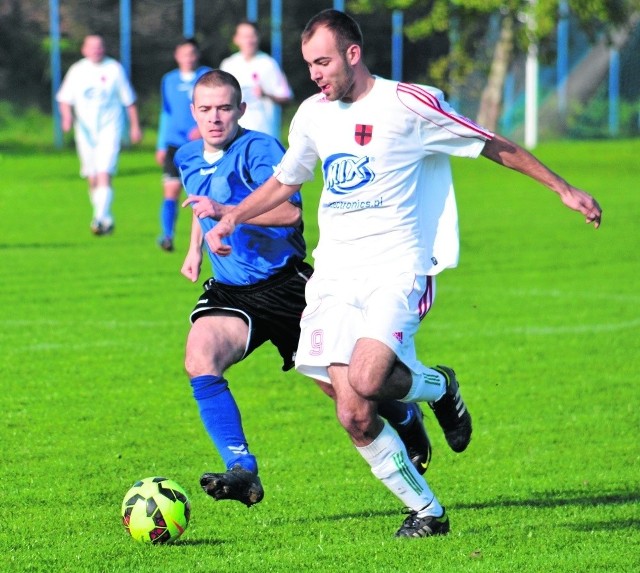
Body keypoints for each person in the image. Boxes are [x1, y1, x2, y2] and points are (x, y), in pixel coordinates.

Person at [204, 10, 603, 538]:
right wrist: (234, 214)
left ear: (352, 53)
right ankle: (428, 512)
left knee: (369, 380)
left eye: (323, 61)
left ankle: (437, 387)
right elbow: (286, 179)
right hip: (333, 276)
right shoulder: (311, 115)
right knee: (354, 413)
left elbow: (490, 143)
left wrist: (562, 188)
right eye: (308, 65)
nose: (315, 74)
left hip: (398, 267)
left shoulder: (407, 104)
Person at [175, 70, 433, 508]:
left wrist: (226, 212)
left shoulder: (259, 150)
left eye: (224, 108)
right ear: (193, 112)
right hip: (232, 290)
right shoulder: (186, 156)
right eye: (205, 109)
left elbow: (290, 215)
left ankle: (406, 412)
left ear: (240, 109)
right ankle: (241, 469)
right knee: (199, 358)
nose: (215, 118)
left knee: (346, 390)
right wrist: (196, 247)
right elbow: (200, 205)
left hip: (287, 285)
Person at [56, 34, 142, 236]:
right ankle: (105, 218)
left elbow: (129, 100)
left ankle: (99, 218)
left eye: (99, 46)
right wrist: (67, 117)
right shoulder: (77, 70)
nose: (96, 50)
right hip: (85, 131)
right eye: (92, 47)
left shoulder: (114, 69)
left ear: (104, 48)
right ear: (84, 50)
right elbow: (64, 99)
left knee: (104, 172)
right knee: (92, 177)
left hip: (109, 129)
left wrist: (135, 126)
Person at [155, 38, 212, 252]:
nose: (188, 58)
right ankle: (167, 235)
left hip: (201, 144)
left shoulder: (207, 76)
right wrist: (161, 144)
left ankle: (208, 236)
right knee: (171, 189)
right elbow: (166, 112)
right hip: (174, 144)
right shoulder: (168, 80)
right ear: (177, 56)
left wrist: (203, 125)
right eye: (184, 54)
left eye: (192, 53)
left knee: (202, 192)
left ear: (197, 55)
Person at [220, 20, 293, 140]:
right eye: (244, 36)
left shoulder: (269, 63)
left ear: (258, 37)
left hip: (265, 134)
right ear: (236, 39)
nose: (248, 40)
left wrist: (266, 94)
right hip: (235, 136)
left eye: (252, 36)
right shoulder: (228, 65)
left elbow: (287, 97)